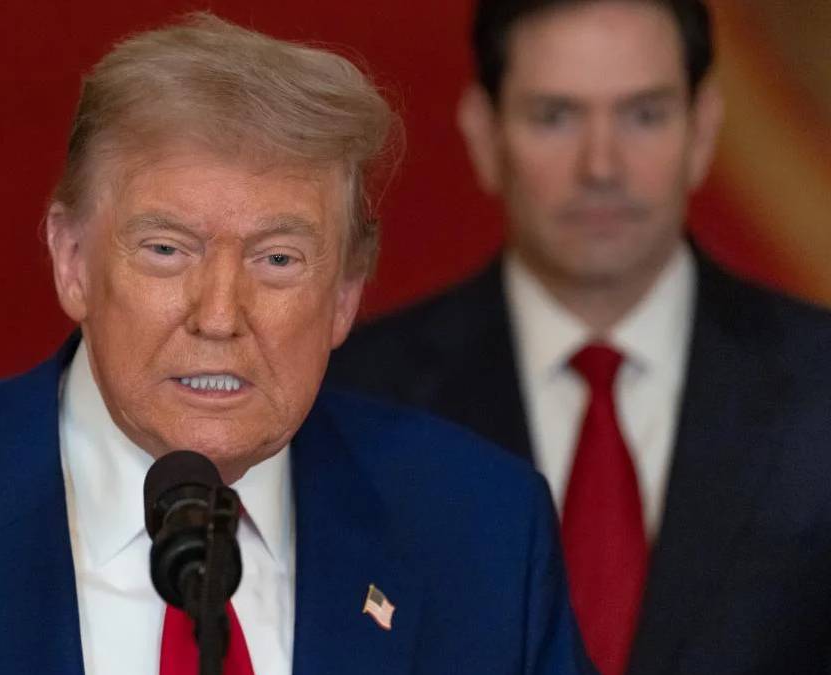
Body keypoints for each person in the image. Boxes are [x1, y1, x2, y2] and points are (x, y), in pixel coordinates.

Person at [0, 13, 593, 675]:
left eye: (279, 258)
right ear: (73, 260)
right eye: (167, 249)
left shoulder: (480, 533)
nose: (219, 312)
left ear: (346, 293)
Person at [328, 1, 831, 674]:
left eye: (643, 114)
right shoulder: (357, 398)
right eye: (555, 116)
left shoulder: (820, 384)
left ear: (703, 129)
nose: (601, 166)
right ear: (485, 135)